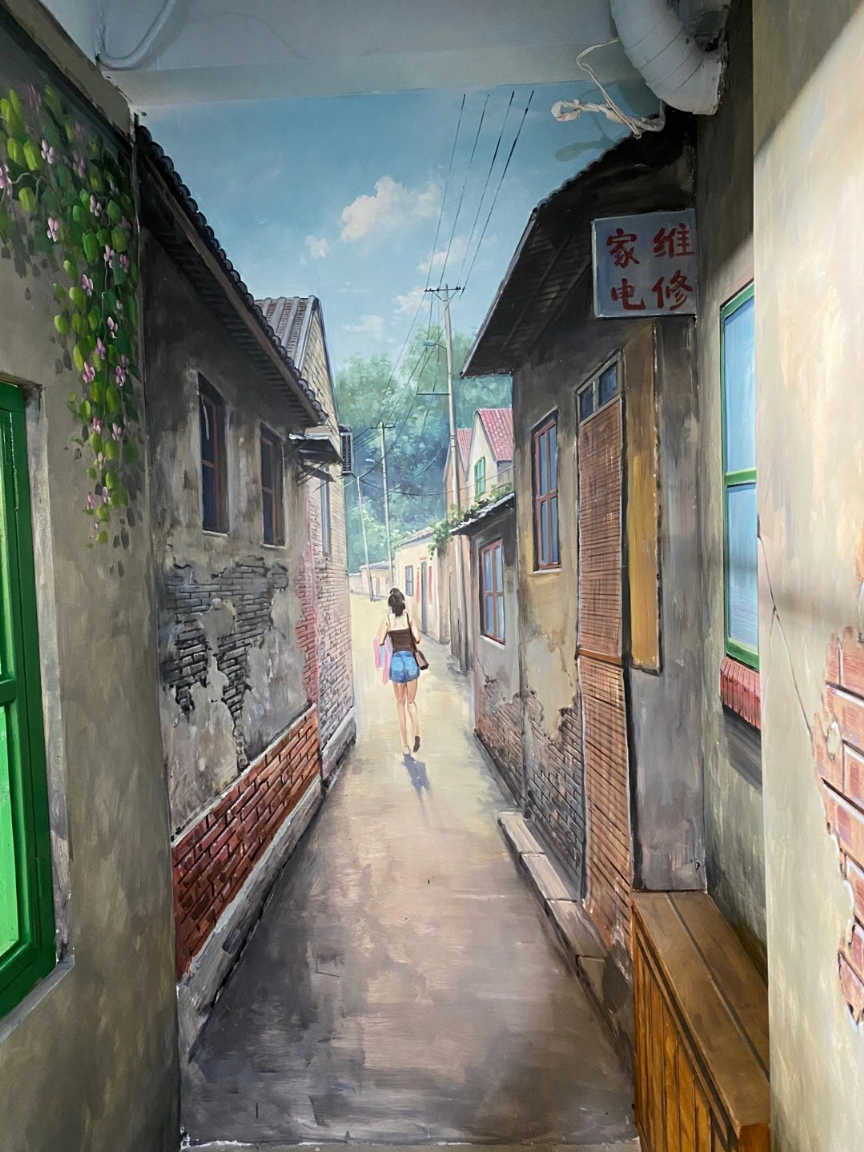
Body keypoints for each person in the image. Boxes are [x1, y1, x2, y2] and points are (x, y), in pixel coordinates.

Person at [376, 587, 422, 755]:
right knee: (411, 702)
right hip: (410, 662)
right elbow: (418, 638)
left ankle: (405, 744)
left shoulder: (388, 620)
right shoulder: (409, 618)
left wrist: (388, 629)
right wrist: (410, 628)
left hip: (396, 663)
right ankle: (417, 733)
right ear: (403, 603)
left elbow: (380, 641)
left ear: (391, 605)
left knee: (400, 704)